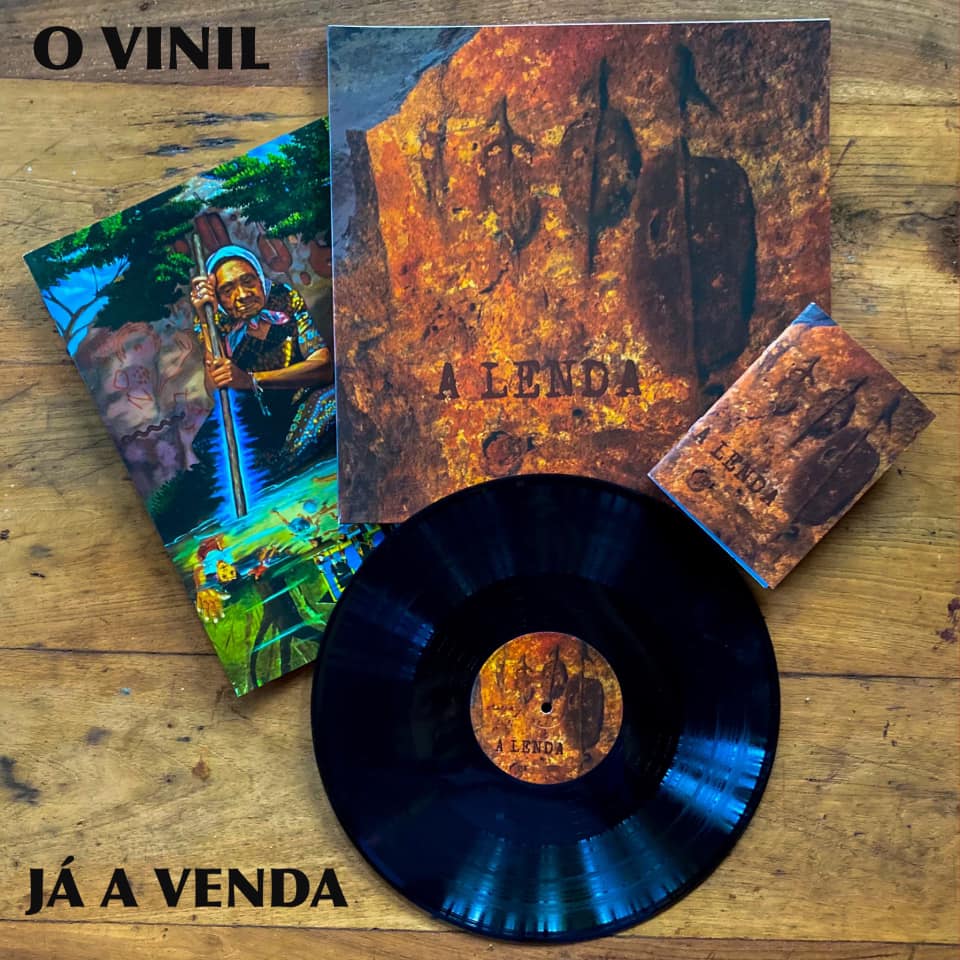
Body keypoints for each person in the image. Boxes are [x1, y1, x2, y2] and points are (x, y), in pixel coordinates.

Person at [189, 244, 335, 475]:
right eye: (227, 290)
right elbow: (217, 390)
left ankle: (284, 462)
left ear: (260, 278)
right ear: (217, 297)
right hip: (260, 415)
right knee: (208, 442)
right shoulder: (212, 321)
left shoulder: (283, 297)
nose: (243, 295)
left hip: (302, 397)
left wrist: (252, 380)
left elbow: (323, 366)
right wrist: (207, 323)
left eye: (248, 281)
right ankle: (284, 460)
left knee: (330, 402)